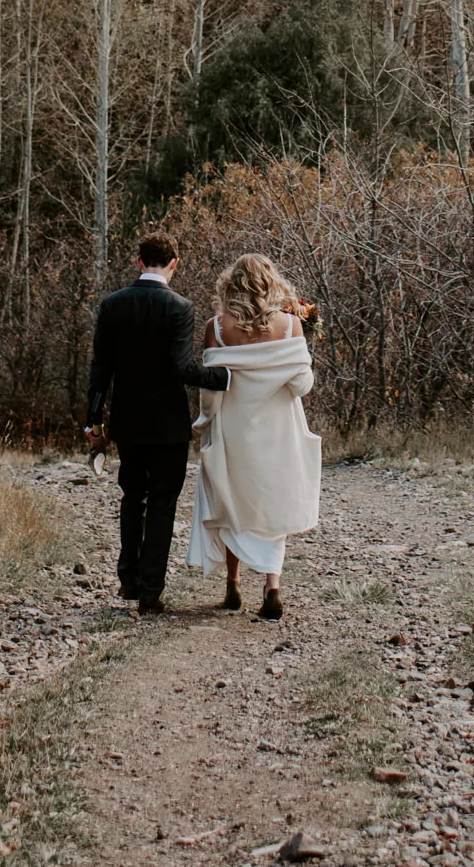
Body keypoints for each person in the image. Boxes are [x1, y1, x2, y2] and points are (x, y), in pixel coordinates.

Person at [85, 232, 231, 614]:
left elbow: (101, 368)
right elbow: (183, 369)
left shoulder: (112, 305)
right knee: (163, 505)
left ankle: (128, 580)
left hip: (127, 421)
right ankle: (151, 593)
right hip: (167, 425)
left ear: (138, 261)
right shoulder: (179, 307)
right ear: (174, 264)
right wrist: (226, 378)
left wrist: (93, 421)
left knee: (132, 498)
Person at [187, 253, 320, 621]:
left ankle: (232, 584)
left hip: (235, 427)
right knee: (270, 504)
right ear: (271, 283)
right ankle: (272, 586)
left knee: (233, 501)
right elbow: (301, 386)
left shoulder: (217, 327)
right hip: (278, 429)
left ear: (232, 284)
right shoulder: (292, 325)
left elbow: (212, 388)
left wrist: (204, 422)